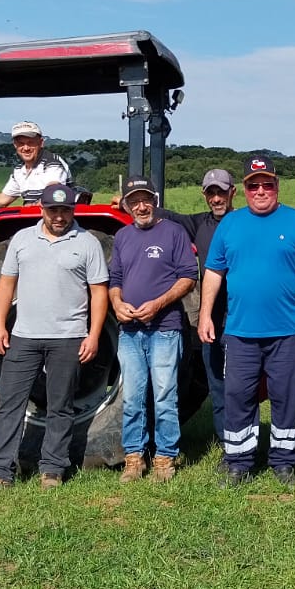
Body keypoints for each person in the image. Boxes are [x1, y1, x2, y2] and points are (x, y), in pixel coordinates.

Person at [0, 183, 109, 493]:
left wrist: (94, 334)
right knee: (9, 403)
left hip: (68, 337)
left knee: (60, 405)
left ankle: (52, 470)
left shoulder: (88, 243)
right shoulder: (22, 239)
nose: (59, 216)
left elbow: (98, 293)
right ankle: (0, 471)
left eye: (65, 210)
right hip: (24, 337)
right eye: (53, 210)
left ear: (73, 210)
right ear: (41, 209)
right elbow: (5, 285)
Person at [198, 155, 295, 486]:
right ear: (244, 189)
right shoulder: (230, 225)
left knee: (288, 396)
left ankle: (284, 461)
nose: (260, 190)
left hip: (287, 331)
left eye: (267, 184)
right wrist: (206, 314)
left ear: (277, 185)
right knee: (238, 396)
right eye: (253, 185)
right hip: (239, 332)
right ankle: (238, 461)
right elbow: (214, 272)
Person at [107, 178, 193, 483]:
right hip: (129, 330)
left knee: (164, 395)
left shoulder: (173, 232)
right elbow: (115, 277)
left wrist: (158, 304)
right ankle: (134, 458)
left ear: (154, 201)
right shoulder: (121, 236)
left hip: (165, 328)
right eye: (135, 201)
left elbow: (188, 276)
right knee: (131, 396)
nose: (141, 206)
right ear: (127, 205)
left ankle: (165, 457)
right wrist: (116, 303)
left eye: (146, 200)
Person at [162, 168, 237, 442]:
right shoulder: (199, 224)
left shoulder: (244, 222)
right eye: (211, 193)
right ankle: (226, 440)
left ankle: (247, 440)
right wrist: (126, 202)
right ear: (204, 195)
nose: (217, 198)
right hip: (213, 316)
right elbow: (168, 216)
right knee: (216, 380)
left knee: (240, 384)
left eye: (221, 192)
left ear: (233, 192)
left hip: (242, 315)